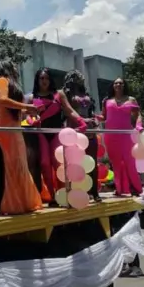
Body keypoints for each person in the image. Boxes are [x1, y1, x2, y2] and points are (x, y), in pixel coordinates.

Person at [25, 68, 87, 205]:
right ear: (37, 80)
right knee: (45, 164)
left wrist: (81, 121)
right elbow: (28, 115)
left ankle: (63, 194)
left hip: (57, 133)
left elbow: (69, 110)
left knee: (59, 164)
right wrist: (31, 121)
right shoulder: (31, 97)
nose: (44, 81)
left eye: (46, 78)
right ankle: (52, 196)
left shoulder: (58, 94)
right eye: (41, 78)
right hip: (41, 133)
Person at [0, 60, 43, 215]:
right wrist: (27, 107)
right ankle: (14, 204)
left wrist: (28, 112)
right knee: (16, 165)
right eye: (13, 65)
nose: (15, 67)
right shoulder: (1, 81)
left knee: (18, 164)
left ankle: (22, 202)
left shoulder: (8, 82)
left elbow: (11, 105)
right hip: (5, 127)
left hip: (11, 126)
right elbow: (2, 100)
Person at [60, 70, 103, 202]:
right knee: (75, 163)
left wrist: (94, 119)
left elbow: (90, 110)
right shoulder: (66, 94)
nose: (79, 79)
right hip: (75, 130)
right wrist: (82, 121)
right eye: (75, 77)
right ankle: (76, 192)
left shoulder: (86, 94)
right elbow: (67, 112)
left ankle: (94, 191)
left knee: (92, 162)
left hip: (90, 130)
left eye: (80, 77)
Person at [98, 77, 143, 196]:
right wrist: (96, 117)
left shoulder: (131, 99)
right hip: (111, 135)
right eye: (116, 83)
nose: (118, 84)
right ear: (113, 86)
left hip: (126, 134)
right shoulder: (106, 101)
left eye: (121, 83)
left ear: (124, 85)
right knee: (116, 163)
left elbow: (138, 115)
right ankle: (120, 189)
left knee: (130, 161)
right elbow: (104, 117)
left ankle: (136, 188)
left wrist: (138, 126)